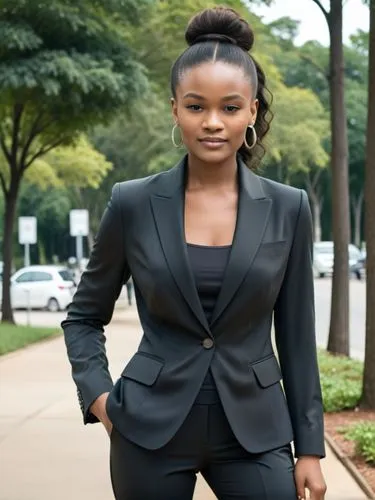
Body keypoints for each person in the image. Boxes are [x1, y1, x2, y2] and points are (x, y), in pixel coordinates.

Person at [62, 7, 327, 500]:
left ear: (251, 111)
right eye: (195, 106)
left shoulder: (288, 208)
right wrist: (101, 399)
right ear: (174, 110)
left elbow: (296, 335)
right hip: (148, 429)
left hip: (257, 433)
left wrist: (309, 446)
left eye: (229, 108)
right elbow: (82, 317)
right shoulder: (133, 203)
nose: (212, 123)